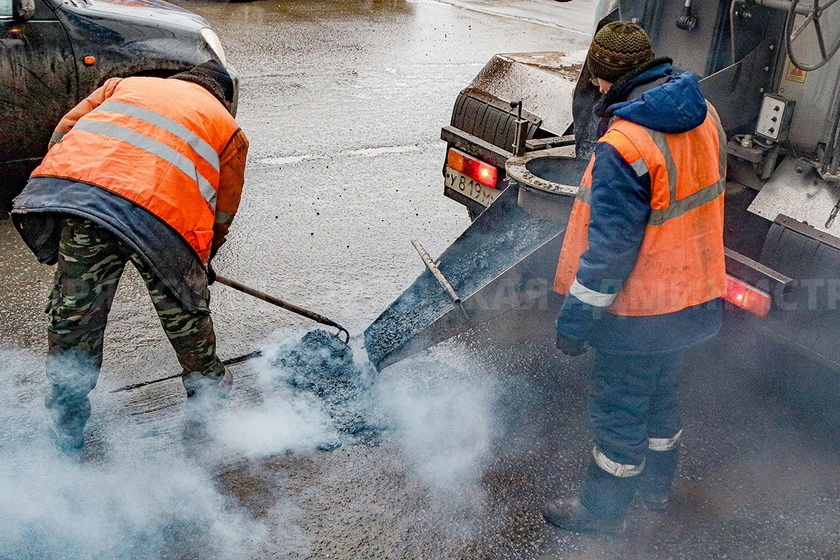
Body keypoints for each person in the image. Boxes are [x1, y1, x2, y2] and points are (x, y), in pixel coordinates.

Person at [543, 22, 727, 534]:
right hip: (692, 298)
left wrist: (574, 321)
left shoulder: (623, 144)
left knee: (620, 410)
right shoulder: (706, 114)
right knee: (662, 400)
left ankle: (600, 515)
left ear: (604, 78)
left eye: (597, 81)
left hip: (639, 312)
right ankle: (655, 491)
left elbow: (609, 251)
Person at [11, 60, 249, 451]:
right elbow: (223, 212)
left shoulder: (121, 87)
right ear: (224, 97)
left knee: (76, 314)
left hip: (86, 204)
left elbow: (62, 135)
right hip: (162, 226)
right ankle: (209, 400)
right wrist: (202, 263)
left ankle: (65, 421)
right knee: (184, 313)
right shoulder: (227, 128)